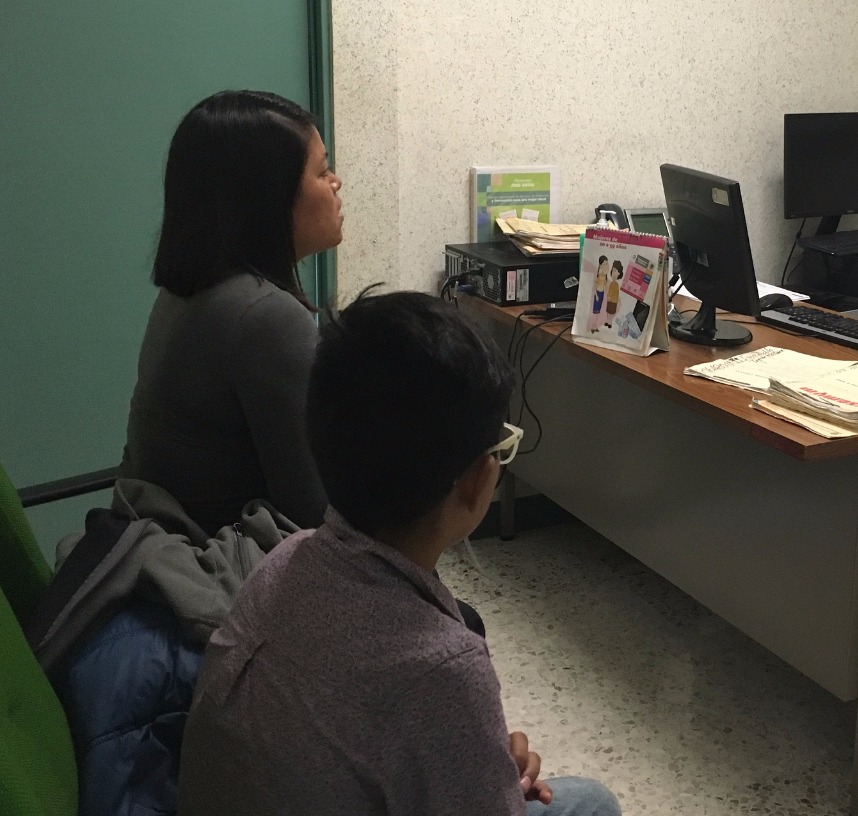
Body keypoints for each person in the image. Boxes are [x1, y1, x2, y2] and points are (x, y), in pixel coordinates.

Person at [178, 289, 621, 816]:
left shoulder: (282, 560)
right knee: (593, 804)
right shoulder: (444, 669)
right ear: (477, 481)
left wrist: (474, 761)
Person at [119, 90, 342, 533]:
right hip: (227, 563)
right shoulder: (265, 315)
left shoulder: (193, 289)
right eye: (321, 172)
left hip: (161, 546)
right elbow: (316, 515)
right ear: (270, 196)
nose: (336, 183)